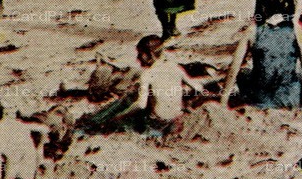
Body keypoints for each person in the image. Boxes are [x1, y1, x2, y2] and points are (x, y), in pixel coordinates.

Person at [81, 35, 209, 136]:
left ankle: (95, 121)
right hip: (174, 118)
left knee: (129, 101)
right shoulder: (176, 68)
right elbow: (199, 88)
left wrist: (120, 116)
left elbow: (141, 105)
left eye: (140, 54)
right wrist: (188, 105)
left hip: (155, 123)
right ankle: (96, 119)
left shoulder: (148, 74)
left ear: (149, 55)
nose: (138, 58)